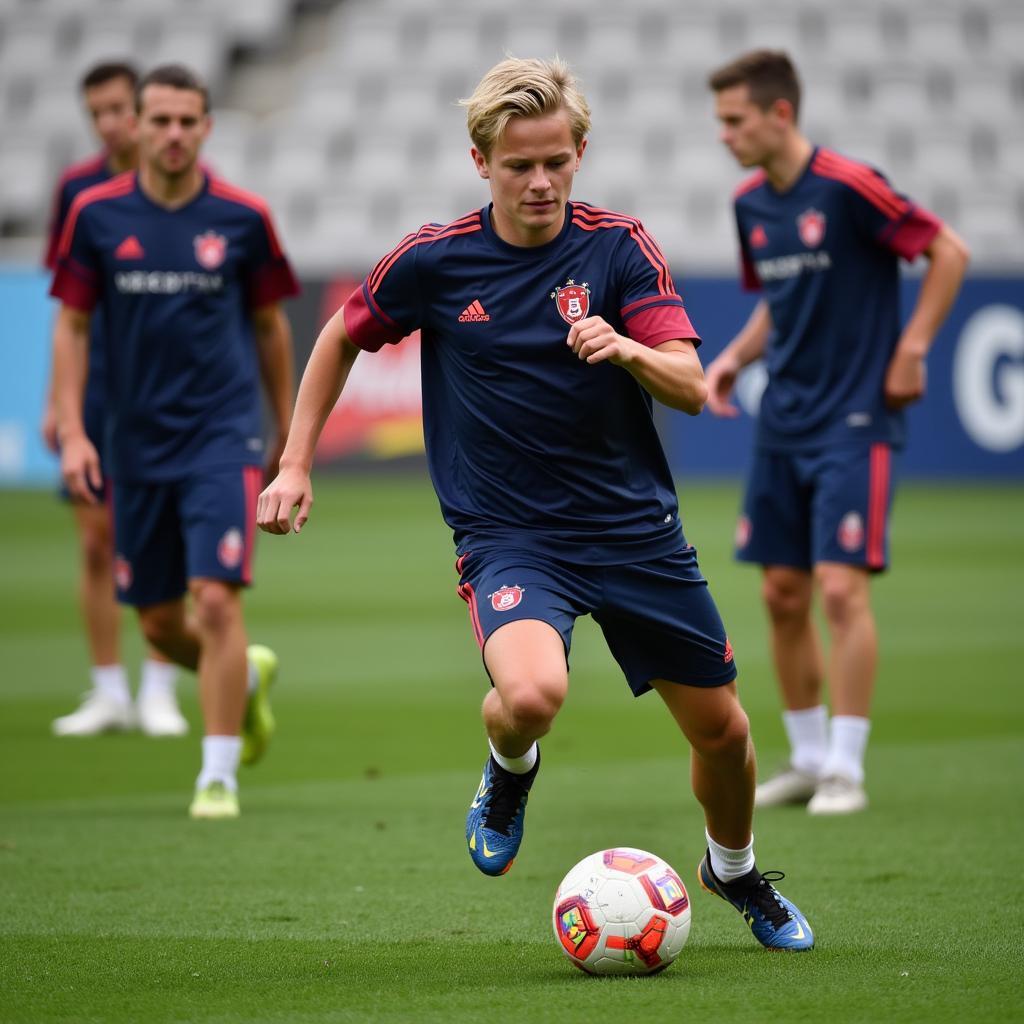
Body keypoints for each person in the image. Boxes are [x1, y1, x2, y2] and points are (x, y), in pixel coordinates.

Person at [258, 56, 813, 950]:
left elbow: (690, 384)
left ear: (580, 151)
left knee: (726, 733)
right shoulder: (433, 261)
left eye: (557, 160)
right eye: (520, 165)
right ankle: (510, 768)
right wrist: (294, 464)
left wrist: (628, 348)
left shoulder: (618, 247)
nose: (542, 180)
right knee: (531, 694)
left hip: (634, 532)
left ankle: (735, 871)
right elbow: (338, 337)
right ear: (482, 162)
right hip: (510, 535)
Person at [704, 51, 969, 815]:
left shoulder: (852, 186)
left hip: (854, 420)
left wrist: (913, 347)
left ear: (779, 114)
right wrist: (730, 359)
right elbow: (776, 306)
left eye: (734, 120)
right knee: (783, 594)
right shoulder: (751, 203)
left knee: (842, 589)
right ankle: (810, 758)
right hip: (783, 419)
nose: (723, 135)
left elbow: (949, 251)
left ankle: (848, 768)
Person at [50, 63, 299, 819]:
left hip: (221, 438)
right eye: (158, 120)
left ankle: (215, 774)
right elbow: (71, 325)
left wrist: (288, 433)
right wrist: (71, 429)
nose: (172, 134)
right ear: (138, 124)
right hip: (134, 444)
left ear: (206, 127)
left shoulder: (242, 218)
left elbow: (269, 327)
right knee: (158, 620)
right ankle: (247, 682)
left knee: (217, 603)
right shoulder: (94, 215)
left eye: (187, 121)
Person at [43, 61, 186, 739]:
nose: (109, 123)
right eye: (95, 111)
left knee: (164, 540)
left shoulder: (177, 191)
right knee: (95, 542)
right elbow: (66, 310)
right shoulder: (78, 191)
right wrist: (58, 406)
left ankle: (159, 688)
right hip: (98, 386)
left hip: (163, 392)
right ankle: (108, 691)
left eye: (118, 109)